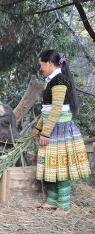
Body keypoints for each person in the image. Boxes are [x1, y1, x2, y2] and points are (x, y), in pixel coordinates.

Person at [33, 49, 90, 216]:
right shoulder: (51, 80)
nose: (41, 68)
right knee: (51, 166)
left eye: (42, 65)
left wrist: (45, 133)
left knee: (61, 168)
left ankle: (64, 205)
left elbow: (57, 109)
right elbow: (47, 109)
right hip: (52, 128)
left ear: (50, 64)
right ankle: (52, 201)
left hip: (60, 131)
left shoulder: (60, 81)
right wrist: (38, 127)